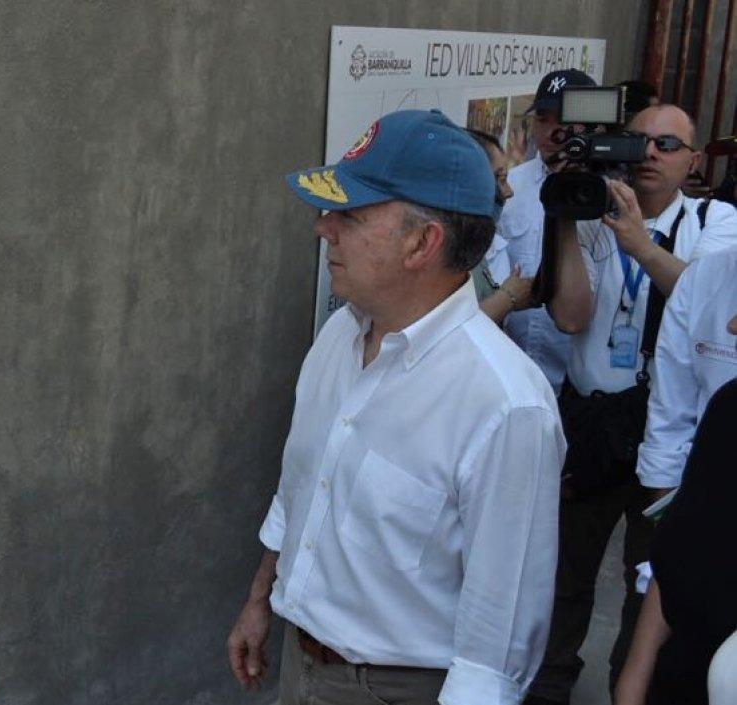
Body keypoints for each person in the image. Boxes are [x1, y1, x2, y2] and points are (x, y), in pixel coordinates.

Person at [226, 109, 565, 705]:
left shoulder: (507, 407)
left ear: (422, 242)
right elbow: (301, 489)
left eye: (350, 215)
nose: (323, 228)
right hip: (301, 666)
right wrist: (260, 600)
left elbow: (495, 654)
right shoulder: (340, 336)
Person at [529, 103, 737, 704]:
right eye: (635, 140)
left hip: (675, 444)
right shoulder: (591, 215)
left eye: (667, 145)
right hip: (596, 422)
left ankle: (631, 683)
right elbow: (571, 317)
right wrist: (565, 221)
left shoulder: (716, 221)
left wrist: (639, 244)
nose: (648, 154)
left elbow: (698, 293)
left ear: (693, 162)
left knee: (648, 586)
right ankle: (548, 689)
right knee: (565, 576)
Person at [613, 249, 737, 705]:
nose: (731, 327)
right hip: (684, 665)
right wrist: (635, 676)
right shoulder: (727, 410)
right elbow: (680, 547)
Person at [500, 68, 597, 394]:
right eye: (542, 119)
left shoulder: (607, 194)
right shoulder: (511, 185)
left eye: (563, 121)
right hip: (510, 374)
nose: (550, 130)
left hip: (577, 386)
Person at [465, 127, 534, 325]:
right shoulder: (445, 252)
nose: (508, 192)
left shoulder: (476, 242)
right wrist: (508, 298)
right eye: (501, 179)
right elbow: (451, 331)